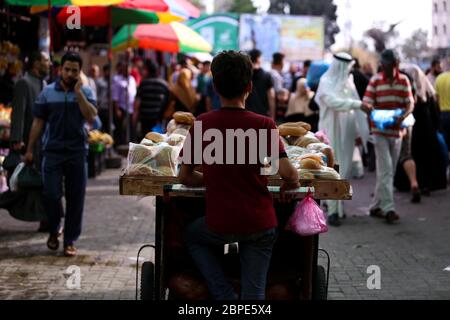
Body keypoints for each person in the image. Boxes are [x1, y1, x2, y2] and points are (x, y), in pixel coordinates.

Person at [179, 50, 299, 300]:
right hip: (260, 223)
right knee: (254, 295)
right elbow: (289, 174)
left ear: (214, 86)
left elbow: (184, 176)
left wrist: (214, 179)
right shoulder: (265, 124)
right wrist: (292, 184)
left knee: (192, 235)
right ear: (250, 87)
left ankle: (223, 294)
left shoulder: (202, 123)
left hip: (219, 223)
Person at [24, 52, 97, 257]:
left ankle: (70, 240)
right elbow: (38, 122)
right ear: (60, 69)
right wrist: (29, 149)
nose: (70, 73)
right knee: (51, 195)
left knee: (76, 198)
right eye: (67, 69)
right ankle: (54, 229)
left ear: (79, 72)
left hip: (77, 152)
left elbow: (91, 116)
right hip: (53, 153)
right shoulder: (47, 92)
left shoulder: (87, 91)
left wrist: (79, 94)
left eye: (75, 70)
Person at [315, 52, 372, 227]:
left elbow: (355, 108)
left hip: (346, 131)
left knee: (343, 170)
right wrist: (356, 104)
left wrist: (357, 133)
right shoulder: (326, 82)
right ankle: (333, 210)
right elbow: (334, 102)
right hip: (331, 130)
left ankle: (337, 206)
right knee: (332, 169)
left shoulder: (349, 81)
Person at [363, 49, 415, 224]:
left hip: (397, 132)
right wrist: (368, 107)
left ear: (396, 64)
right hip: (379, 132)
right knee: (386, 170)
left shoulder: (404, 80)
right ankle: (389, 209)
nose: (384, 68)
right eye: (383, 65)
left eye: (388, 65)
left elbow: (410, 103)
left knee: (388, 171)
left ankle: (375, 206)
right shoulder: (375, 80)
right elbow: (366, 101)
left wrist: (404, 115)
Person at [10, 51, 51, 232]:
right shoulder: (23, 83)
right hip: (28, 141)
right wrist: (17, 139)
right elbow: (18, 112)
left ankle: (45, 218)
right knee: (21, 183)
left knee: (40, 183)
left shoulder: (44, 84)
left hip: (44, 143)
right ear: (36, 63)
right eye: (46, 60)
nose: (49, 63)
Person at [395, 64, 447, 194]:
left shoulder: (409, 92)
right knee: (427, 157)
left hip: (413, 129)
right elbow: (435, 111)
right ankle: (427, 183)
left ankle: (412, 182)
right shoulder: (427, 91)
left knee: (410, 155)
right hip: (427, 130)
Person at [132, 60, 169, 139]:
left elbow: (137, 102)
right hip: (158, 119)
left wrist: (135, 116)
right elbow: (167, 102)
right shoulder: (164, 84)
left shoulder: (143, 83)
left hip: (145, 118)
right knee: (157, 142)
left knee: (146, 141)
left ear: (148, 71)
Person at [246, 49, 276, 120]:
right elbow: (271, 96)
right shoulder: (266, 75)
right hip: (263, 114)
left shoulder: (244, 74)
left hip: (247, 114)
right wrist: (272, 116)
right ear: (258, 58)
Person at [112, 60, 137, 145]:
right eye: (125, 68)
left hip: (131, 108)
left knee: (130, 128)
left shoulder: (132, 79)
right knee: (120, 128)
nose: (127, 70)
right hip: (121, 107)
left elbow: (134, 94)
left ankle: (130, 143)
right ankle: (119, 144)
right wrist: (117, 109)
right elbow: (115, 96)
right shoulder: (117, 79)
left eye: (128, 68)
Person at [435, 63, 450, 183]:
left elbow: (436, 99)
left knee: (445, 145)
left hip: (443, 115)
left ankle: (446, 172)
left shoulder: (439, 79)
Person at [95, 64, 110, 133]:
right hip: (102, 107)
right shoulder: (99, 81)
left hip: (109, 108)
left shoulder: (111, 81)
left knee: (108, 126)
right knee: (101, 126)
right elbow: (96, 94)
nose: (108, 72)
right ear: (104, 71)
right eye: (107, 71)